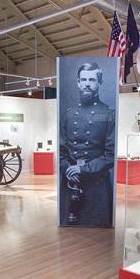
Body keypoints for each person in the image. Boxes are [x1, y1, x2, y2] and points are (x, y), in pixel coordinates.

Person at [59, 62, 116, 226]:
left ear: (99, 83)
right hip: (70, 183)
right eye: (83, 80)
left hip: (96, 186)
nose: (87, 84)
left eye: (92, 80)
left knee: (97, 236)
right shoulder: (69, 114)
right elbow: (61, 149)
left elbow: (110, 155)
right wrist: (68, 168)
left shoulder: (108, 113)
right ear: (78, 82)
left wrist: (82, 169)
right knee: (67, 234)